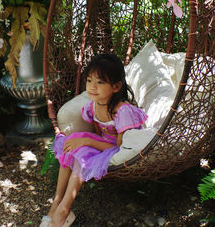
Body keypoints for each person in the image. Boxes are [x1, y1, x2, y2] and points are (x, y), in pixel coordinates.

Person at [40, 54, 147, 227]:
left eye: (100, 82)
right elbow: (98, 131)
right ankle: (56, 203)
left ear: (116, 86)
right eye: (89, 80)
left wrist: (87, 142)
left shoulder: (123, 112)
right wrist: (84, 141)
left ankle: (64, 210)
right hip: (104, 142)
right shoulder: (93, 105)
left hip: (119, 147)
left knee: (82, 151)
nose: (92, 87)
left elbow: (119, 146)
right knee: (70, 144)